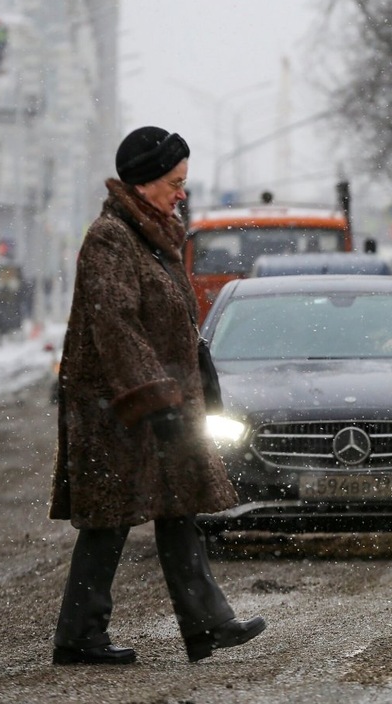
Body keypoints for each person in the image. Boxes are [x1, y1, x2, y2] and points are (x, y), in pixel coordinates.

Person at [49, 126, 266, 665]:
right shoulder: (112, 238)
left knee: (177, 507)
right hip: (119, 408)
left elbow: (164, 318)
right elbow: (116, 325)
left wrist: (199, 363)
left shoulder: (153, 236)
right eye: (175, 181)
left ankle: (206, 624)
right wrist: (155, 397)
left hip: (158, 400)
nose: (182, 192)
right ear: (143, 182)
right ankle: (79, 638)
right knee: (108, 520)